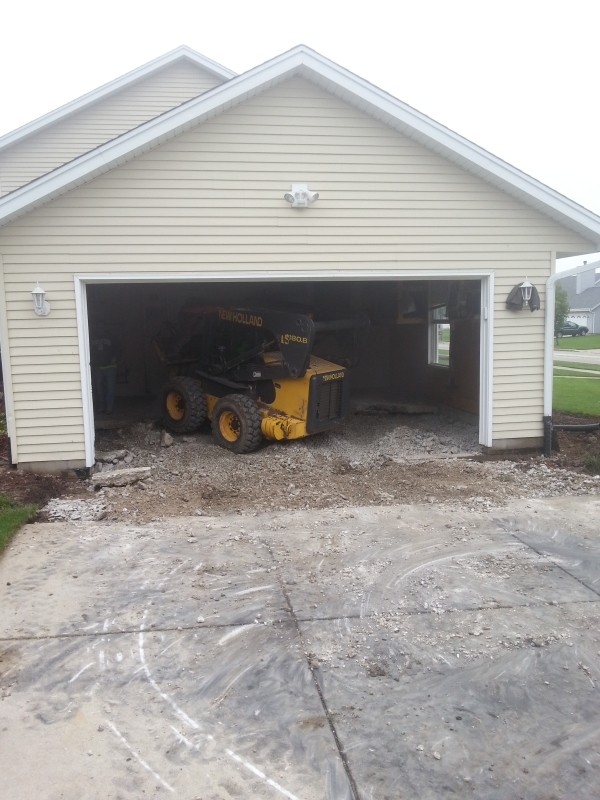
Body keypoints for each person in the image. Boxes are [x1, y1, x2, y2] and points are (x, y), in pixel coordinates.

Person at [90, 322, 122, 414]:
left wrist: (115, 357)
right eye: (98, 326)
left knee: (110, 388)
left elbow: (119, 348)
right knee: (99, 388)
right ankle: (101, 407)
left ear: (105, 326)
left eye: (102, 325)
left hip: (110, 367)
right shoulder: (92, 337)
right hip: (98, 367)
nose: (100, 327)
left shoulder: (112, 337)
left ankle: (109, 407)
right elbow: (89, 350)